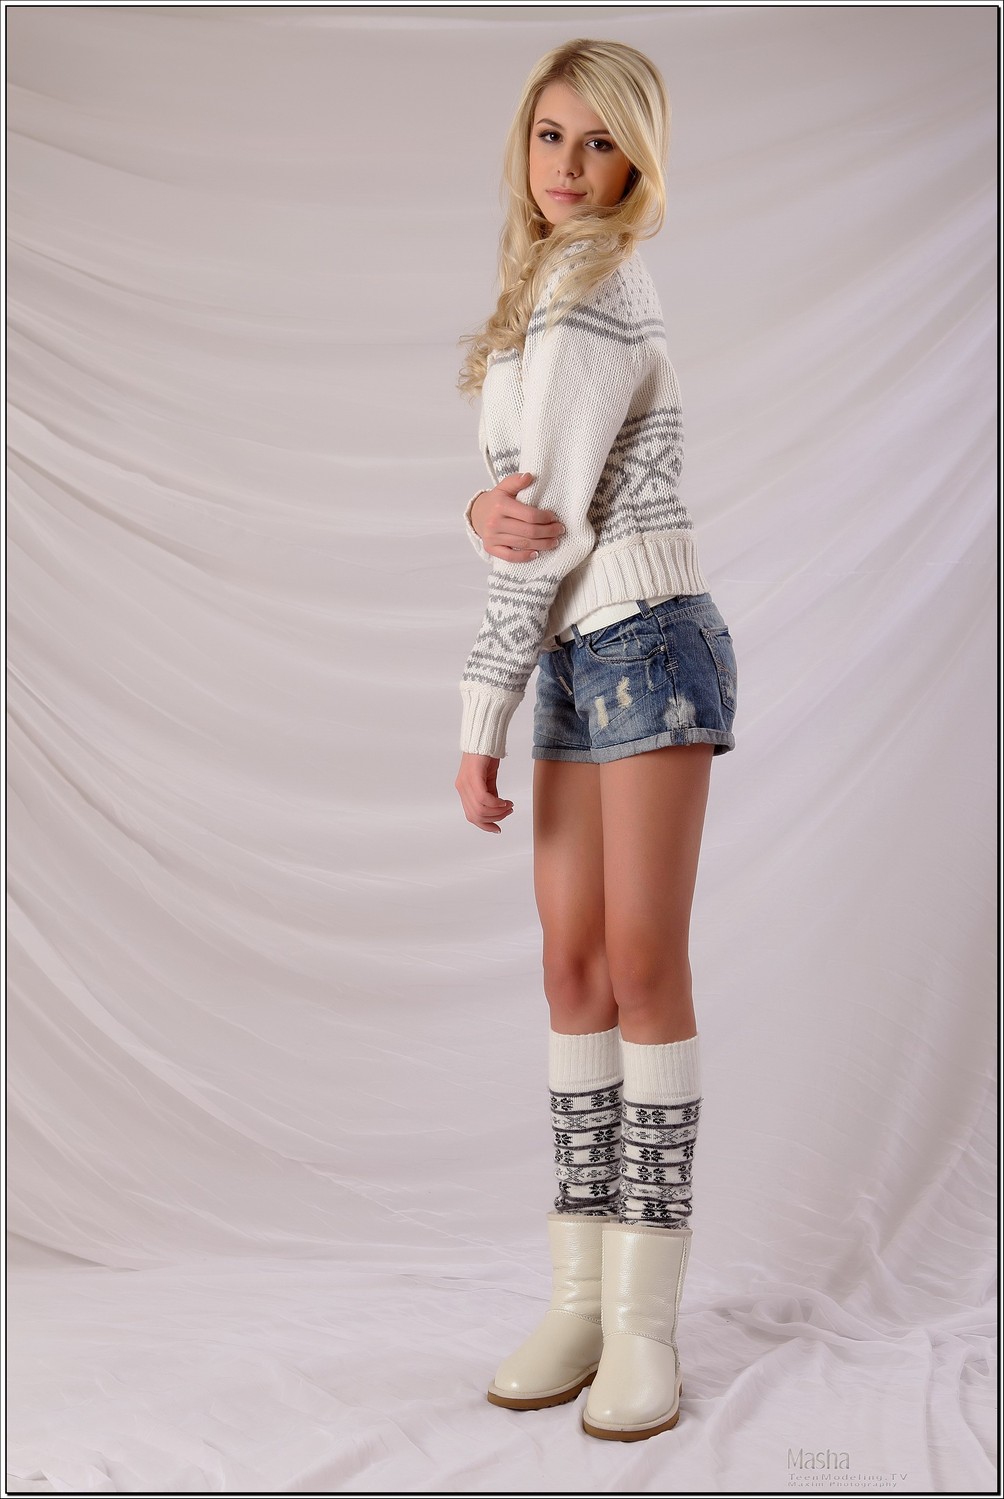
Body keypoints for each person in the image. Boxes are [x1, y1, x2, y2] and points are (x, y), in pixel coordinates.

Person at [453, 38, 738, 1443]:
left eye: (600, 142)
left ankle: (642, 1326)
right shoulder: (535, 299)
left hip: (646, 646)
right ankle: (578, 1298)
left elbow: (552, 523)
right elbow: (520, 507)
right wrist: (477, 514)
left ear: (639, 164)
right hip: (579, 649)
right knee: (571, 970)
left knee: (638, 967)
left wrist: (478, 714)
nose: (569, 166)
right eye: (550, 135)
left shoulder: (593, 288)